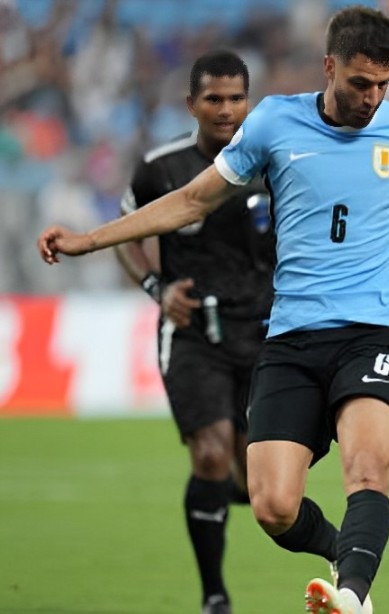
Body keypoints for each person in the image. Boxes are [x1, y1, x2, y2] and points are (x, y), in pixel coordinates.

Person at [37, 7, 389, 614]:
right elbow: (192, 199)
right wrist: (91, 239)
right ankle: (344, 555)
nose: (371, 98)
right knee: (272, 506)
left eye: (384, 84)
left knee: (366, 467)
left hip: (377, 331)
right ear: (330, 67)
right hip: (292, 338)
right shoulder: (275, 122)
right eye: (359, 83)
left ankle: (352, 597)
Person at [111, 50, 272, 614]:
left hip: (266, 333)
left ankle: (231, 485)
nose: (226, 110)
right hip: (194, 332)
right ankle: (214, 595)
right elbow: (124, 236)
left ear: (248, 102)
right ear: (191, 104)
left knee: (261, 481)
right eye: (214, 99)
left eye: (235, 98)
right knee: (207, 454)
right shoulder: (161, 168)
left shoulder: (274, 162)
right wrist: (158, 289)